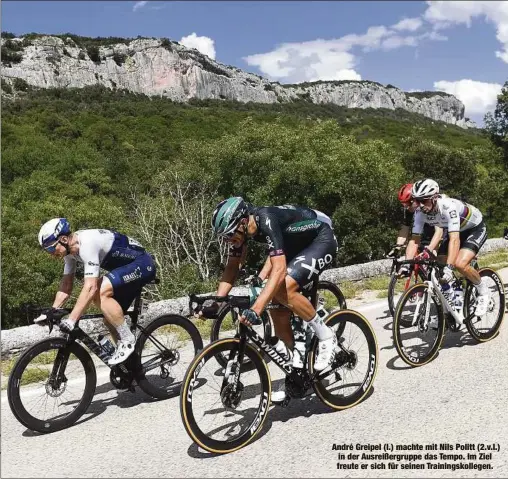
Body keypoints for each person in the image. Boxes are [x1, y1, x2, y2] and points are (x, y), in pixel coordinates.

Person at [208, 197, 339, 403]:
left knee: (283, 287)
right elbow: (233, 266)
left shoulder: (265, 219)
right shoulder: (243, 231)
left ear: (243, 222)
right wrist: (216, 301)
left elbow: (278, 270)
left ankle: (326, 335)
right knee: (277, 309)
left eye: (230, 235)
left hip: (320, 238)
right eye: (224, 237)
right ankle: (297, 370)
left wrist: (256, 309)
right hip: (295, 245)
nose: (228, 241)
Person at [36, 218, 156, 365]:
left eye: (50, 248)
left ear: (64, 239)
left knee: (99, 290)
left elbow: (90, 287)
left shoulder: (87, 244)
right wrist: (52, 311)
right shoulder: (70, 254)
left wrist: (72, 320)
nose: (50, 253)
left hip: (143, 264)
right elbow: (66, 285)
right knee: (110, 319)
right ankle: (128, 367)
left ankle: (127, 340)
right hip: (125, 270)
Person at [405, 179, 490, 321]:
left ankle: (483, 291)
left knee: (459, 264)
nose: (420, 205)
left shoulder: (447, 206)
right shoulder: (420, 212)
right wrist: (407, 264)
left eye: (424, 200)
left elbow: (454, 239)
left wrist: (450, 268)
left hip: (474, 228)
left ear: (434, 198)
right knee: (439, 264)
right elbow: (414, 240)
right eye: (417, 200)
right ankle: (456, 295)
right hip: (455, 231)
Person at [387, 183, 443, 277]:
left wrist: (431, 249)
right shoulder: (410, 210)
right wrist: (397, 247)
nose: (406, 207)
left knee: (434, 255)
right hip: (425, 228)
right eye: (404, 204)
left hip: (441, 227)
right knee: (417, 249)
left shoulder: (431, 204)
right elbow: (405, 228)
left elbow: (439, 231)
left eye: (408, 203)